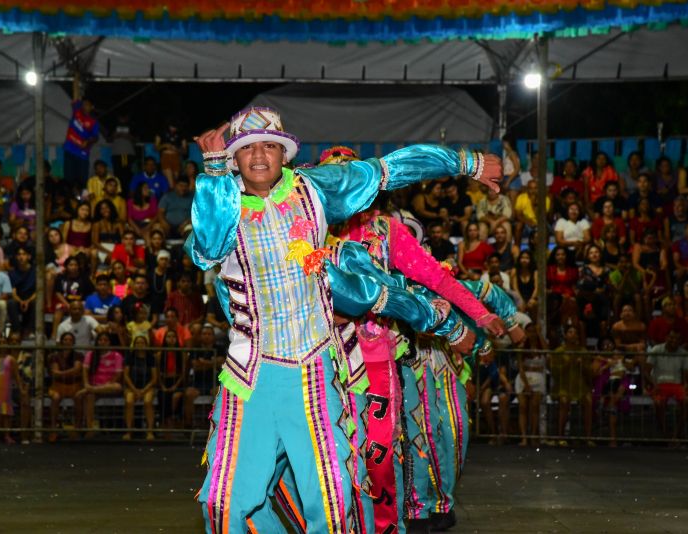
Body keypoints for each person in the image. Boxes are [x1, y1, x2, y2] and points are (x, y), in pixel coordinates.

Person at [188, 106, 502, 532]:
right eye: (246, 149)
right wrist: (211, 173)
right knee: (225, 506)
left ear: (286, 154)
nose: (259, 156)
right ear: (233, 158)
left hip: (313, 375)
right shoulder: (221, 205)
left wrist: (466, 163)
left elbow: (388, 172)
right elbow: (205, 246)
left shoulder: (314, 193)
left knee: (334, 506)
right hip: (249, 380)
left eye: (269, 146)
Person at [551, 324, 593, 446]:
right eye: (570, 332)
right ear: (565, 335)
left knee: (589, 401)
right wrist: (568, 364)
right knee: (564, 401)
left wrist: (582, 366)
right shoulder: (559, 351)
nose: (573, 335)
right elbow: (554, 372)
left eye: (575, 332)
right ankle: (560, 436)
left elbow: (589, 373)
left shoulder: (583, 352)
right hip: (563, 386)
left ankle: (588, 437)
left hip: (580, 386)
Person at [646, 329, 688, 443]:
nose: (674, 341)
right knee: (658, 403)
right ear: (666, 338)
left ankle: (678, 433)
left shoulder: (684, 353)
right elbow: (646, 371)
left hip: (677, 384)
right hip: (659, 383)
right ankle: (665, 433)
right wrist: (653, 384)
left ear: (680, 341)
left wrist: (687, 385)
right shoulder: (656, 349)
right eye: (671, 338)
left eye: (677, 339)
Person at [79, 331, 124, 433]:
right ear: (97, 341)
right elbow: (85, 371)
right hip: (94, 386)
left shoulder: (117, 355)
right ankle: (89, 429)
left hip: (109, 386)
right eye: (100, 340)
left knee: (117, 386)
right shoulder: (90, 354)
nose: (103, 342)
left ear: (109, 342)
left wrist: (105, 385)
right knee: (89, 397)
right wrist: (86, 384)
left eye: (105, 340)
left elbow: (118, 374)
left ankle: (89, 390)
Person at [63, 72, 100, 192]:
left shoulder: (94, 122)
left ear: (92, 107)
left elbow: (95, 137)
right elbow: (76, 94)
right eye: (83, 104)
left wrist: (88, 141)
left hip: (83, 154)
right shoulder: (77, 111)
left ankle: (83, 206)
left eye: (87, 105)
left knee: (82, 182)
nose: (84, 106)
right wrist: (76, 78)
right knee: (68, 181)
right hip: (70, 150)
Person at [47, 331, 84, 443]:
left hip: (75, 385)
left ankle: (77, 428)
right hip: (58, 385)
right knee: (56, 398)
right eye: (65, 340)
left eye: (70, 340)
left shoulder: (78, 355)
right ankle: (54, 429)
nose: (67, 342)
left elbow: (77, 370)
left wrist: (61, 373)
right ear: (61, 342)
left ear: (73, 343)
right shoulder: (54, 356)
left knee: (79, 396)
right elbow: (54, 372)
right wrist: (70, 372)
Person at [515, 323, 547, 446]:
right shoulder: (522, 346)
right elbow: (520, 367)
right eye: (530, 331)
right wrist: (526, 384)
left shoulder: (540, 345)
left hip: (538, 378)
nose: (532, 334)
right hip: (524, 378)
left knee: (534, 406)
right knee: (523, 407)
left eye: (534, 331)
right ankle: (524, 437)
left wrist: (539, 333)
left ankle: (533, 435)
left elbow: (546, 350)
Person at [123, 334, 158, 441]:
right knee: (129, 401)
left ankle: (150, 431)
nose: (140, 345)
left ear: (146, 345)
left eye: (142, 343)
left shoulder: (151, 358)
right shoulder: (130, 357)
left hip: (147, 387)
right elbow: (126, 375)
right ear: (134, 345)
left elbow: (154, 378)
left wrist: (143, 390)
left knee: (148, 401)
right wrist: (134, 389)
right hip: (132, 387)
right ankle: (129, 431)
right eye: (137, 343)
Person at [157, 328, 189, 428]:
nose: (171, 339)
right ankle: (166, 421)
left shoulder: (182, 354)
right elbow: (157, 373)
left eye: (173, 337)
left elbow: (183, 374)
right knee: (163, 396)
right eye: (169, 337)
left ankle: (171, 420)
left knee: (176, 396)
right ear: (165, 339)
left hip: (178, 381)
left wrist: (175, 386)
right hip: (164, 381)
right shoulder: (159, 354)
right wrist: (162, 386)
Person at [7, 246, 36, 337]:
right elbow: (13, 291)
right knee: (11, 302)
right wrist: (20, 301)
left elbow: (38, 291)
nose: (21, 257)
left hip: (32, 297)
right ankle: (17, 331)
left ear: (29, 257)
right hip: (18, 298)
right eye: (19, 254)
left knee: (37, 302)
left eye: (24, 254)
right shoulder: (12, 273)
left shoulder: (36, 271)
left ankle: (30, 330)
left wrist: (28, 301)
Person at [513, 178, 550, 244]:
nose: (533, 191)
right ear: (527, 189)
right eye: (531, 188)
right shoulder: (521, 197)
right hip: (526, 224)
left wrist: (534, 204)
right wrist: (528, 222)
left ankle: (544, 251)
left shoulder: (545, 199)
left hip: (541, 224)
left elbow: (543, 218)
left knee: (545, 228)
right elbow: (518, 215)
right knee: (518, 225)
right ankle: (517, 248)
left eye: (535, 188)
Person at [110, 114, 137, 193]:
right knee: (117, 176)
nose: (122, 118)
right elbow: (108, 139)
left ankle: (127, 194)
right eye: (121, 116)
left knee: (126, 175)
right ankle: (118, 193)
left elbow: (137, 140)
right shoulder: (114, 126)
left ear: (127, 118)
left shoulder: (132, 126)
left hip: (126, 154)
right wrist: (115, 135)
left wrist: (128, 136)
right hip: (116, 154)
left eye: (124, 116)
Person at [155, 122, 188, 187]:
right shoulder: (161, 133)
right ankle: (171, 194)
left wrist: (176, 149)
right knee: (169, 181)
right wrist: (165, 145)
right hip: (165, 157)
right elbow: (156, 148)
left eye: (175, 127)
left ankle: (174, 194)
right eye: (172, 126)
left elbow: (185, 151)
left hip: (176, 157)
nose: (173, 129)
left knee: (176, 179)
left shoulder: (181, 135)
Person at [511, 250, 538, 315]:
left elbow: (537, 288)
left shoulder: (535, 272)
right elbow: (515, 288)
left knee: (533, 305)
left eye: (527, 258)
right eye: (522, 258)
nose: (524, 260)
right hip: (518, 297)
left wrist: (532, 298)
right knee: (520, 306)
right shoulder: (515, 271)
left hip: (532, 297)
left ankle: (535, 324)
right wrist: (521, 300)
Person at [501, 135, 522, 203]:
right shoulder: (508, 154)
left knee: (511, 204)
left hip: (513, 179)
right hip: (508, 178)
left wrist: (509, 181)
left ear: (508, 143)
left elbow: (517, 169)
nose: (502, 144)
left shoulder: (512, 154)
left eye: (503, 142)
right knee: (508, 204)